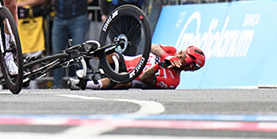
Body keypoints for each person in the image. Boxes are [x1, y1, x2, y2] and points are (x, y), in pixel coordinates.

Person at [39, 0, 96, 88]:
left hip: (78, 18)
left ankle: (80, 82)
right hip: (59, 18)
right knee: (58, 54)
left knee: (78, 52)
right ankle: (57, 85)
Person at [69, 44, 205, 90]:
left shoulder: (173, 81)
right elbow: (151, 47)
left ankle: (84, 84)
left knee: (124, 81)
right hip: (123, 60)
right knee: (108, 51)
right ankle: (76, 55)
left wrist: (159, 66)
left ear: (188, 68)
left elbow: (145, 79)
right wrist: (165, 56)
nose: (178, 55)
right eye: (181, 52)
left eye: (182, 58)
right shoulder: (171, 51)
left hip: (128, 78)